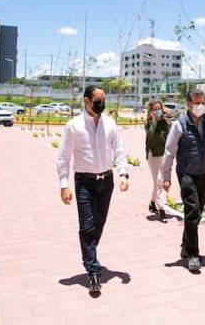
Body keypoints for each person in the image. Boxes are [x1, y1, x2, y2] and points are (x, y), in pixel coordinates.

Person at [56, 85, 130, 296]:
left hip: (106, 181)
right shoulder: (73, 126)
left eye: (103, 100)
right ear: (86, 101)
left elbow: (119, 149)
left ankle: (88, 251)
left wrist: (123, 173)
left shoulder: (110, 123)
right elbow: (63, 157)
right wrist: (64, 185)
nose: (101, 104)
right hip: (84, 183)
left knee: (99, 224)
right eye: (97, 100)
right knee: (87, 226)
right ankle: (93, 270)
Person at [161, 90, 205, 272]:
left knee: (196, 214)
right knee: (192, 210)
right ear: (188, 103)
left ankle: (185, 244)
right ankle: (193, 254)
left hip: (203, 173)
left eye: (202, 102)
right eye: (196, 102)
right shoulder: (179, 124)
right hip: (186, 174)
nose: (200, 106)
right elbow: (169, 152)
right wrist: (166, 177)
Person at [145, 99, 170, 223]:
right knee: (159, 181)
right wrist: (154, 122)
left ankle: (153, 202)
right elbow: (149, 139)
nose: (157, 111)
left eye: (159, 108)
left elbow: (171, 136)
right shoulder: (148, 123)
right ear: (151, 110)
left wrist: (166, 117)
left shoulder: (166, 122)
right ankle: (161, 208)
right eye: (155, 109)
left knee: (158, 182)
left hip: (164, 156)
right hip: (153, 156)